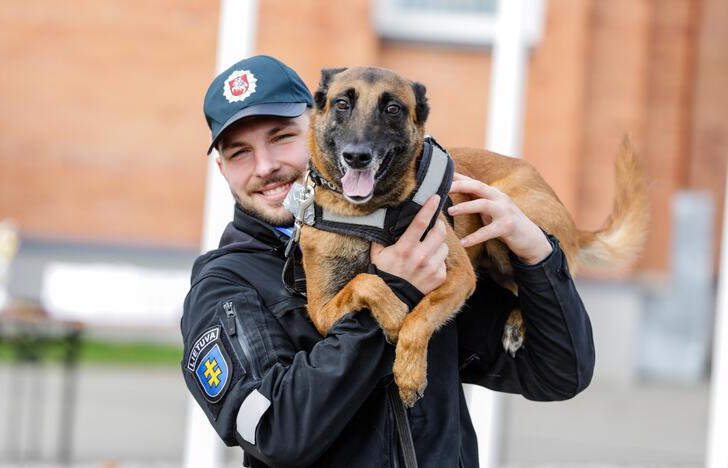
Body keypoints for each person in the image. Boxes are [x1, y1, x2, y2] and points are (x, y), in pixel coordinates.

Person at [181, 55, 594, 468]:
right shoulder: (225, 286)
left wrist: (538, 260)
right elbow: (276, 433)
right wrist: (393, 289)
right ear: (221, 168)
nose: (266, 167)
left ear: (318, 127)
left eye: (280, 138)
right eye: (240, 153)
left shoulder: (420, 238)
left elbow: (559, 373)